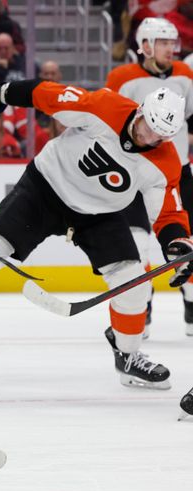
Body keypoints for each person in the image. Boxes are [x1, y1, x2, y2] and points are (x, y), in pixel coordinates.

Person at [0, 75, 191, 391]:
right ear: (141, 110)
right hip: (45, 189)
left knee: (134, 284)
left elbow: (167, 212)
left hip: (101, 214)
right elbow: (47, 94)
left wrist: (177, 245)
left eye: (161, 136)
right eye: (149, 126)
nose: (150, 137)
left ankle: (127, 356)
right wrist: (0, 93)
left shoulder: (165, 161)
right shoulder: (104, 106)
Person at [105, 17, 193, 337]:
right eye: (164, 43)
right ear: (145, 46)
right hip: (133, 176)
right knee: (136, 245)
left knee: (186, 238)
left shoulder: (184, 75)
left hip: (178, 172)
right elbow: (107, 120)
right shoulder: (121, 77)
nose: (172, 49)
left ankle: (192, 307)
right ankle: (141, 310)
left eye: (173, 43)